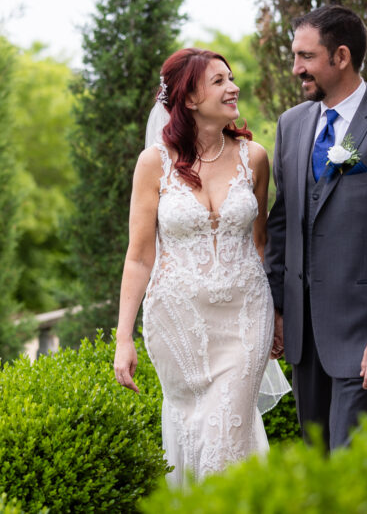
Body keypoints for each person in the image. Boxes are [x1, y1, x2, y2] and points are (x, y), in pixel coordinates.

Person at [113, 48, 288, 484]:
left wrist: (278, 313)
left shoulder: (256, 158)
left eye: (231, 78)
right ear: (189, 98)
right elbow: (138, 256)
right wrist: (123, 338)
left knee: (226, 432)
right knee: (193, 432)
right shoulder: (153, 164)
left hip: (246, 318)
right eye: (219, 81)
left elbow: (261, 242)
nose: (233, 88)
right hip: (177, 324)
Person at [264, 5, 367, 449]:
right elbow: (282, 224)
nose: (296, 68)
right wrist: (279, 309)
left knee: (348, 464)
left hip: (364, 336)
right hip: (304, 335)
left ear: (341, 57)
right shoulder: (292, 125)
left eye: (306, 57)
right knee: (317, 462)